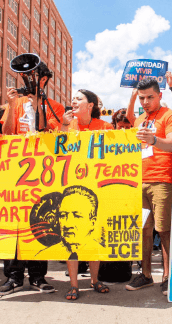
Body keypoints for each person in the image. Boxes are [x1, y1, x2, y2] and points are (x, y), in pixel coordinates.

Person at [0, 63, 63, 296]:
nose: (29, 80)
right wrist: (12, 105)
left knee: (40, 224)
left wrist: (38, 103)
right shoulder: (14, 104)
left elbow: (45, 132)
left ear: (44, 81)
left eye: (34, 76)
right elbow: (9, 133)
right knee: (13, 228)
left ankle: (37, 276)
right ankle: (13, 277)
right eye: (26, 76)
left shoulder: (56, 107)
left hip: (42, 176)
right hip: (15, 175)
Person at [125, 77, 172, 296]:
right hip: (139, 182)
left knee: (164, 230)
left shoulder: (170, 116)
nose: (146, 101)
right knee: (144, 229)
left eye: (150, 97)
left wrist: (153, 140)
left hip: (162, 181)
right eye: (142, 98)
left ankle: (169, 277)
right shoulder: (140, 119)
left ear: (160, 95)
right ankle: (146, 274)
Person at [61, 89, 113, 300]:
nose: (74, 101)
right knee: (71, 237)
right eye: (72, 98)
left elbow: (115, 154)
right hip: (70, 187)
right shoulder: (66, 125)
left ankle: (94, 280)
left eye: (79, 98)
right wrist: (63, 126)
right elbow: (55, 152)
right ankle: (74, 285)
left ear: (90, 105)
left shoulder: (105, 127)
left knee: (94, 235)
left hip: (97, 187)